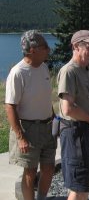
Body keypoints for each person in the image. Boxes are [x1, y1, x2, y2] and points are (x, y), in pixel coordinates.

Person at [5, 30, 56, 200]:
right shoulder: (18, 73)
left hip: (47, 127)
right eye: (45, 47)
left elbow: (45, 96)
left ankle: (41, 197)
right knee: (30, 172)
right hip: (28, 129)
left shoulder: (43, 67)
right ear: (32, 50)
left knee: (49, 168)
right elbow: (10, 106)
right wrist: (20, 137)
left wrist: (53, 116)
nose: (48, 49)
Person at [57, 30, 89, 200]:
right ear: (76, 46)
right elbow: (68, 108)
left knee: (84, 184)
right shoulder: (69, 71)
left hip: (85, 130)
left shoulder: (87, 66)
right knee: (78, 186)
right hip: (74, 132)